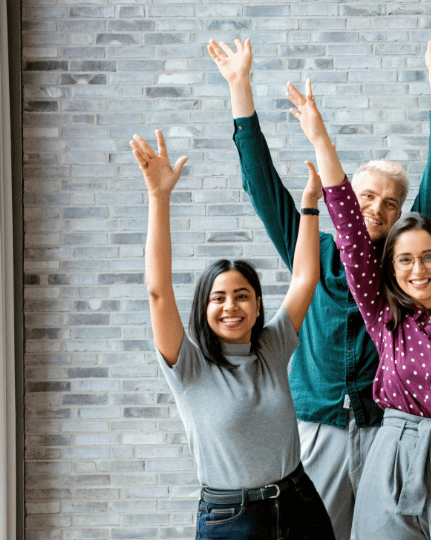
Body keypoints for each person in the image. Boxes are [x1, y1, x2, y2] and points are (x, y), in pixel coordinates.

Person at [208, 38, 431, 539]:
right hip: (316, 424)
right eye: (367, 195)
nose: (377, 209)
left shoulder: (403, 265)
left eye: (391, 204)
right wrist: (240, 88)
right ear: (343, 195)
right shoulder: (313, 251)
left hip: (383, 425)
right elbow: (262, 186)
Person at [286, 77, 431, 540]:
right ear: (390, 271)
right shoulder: (384, 316)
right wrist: (320, 139)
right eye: (405, 260)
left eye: (428, 256)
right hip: (390, 461)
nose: (418, 269)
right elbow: (351, 232)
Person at [134, 129, 334, 540]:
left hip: (300, 502)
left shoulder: (271, 347)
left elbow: (305, 279)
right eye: (218, 298)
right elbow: (158, 292)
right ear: (203, 309)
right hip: (233, 519)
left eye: (242, 296)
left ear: (258, 305)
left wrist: (310, 206)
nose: (231, 307)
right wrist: (159, 198)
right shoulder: (188, 365)